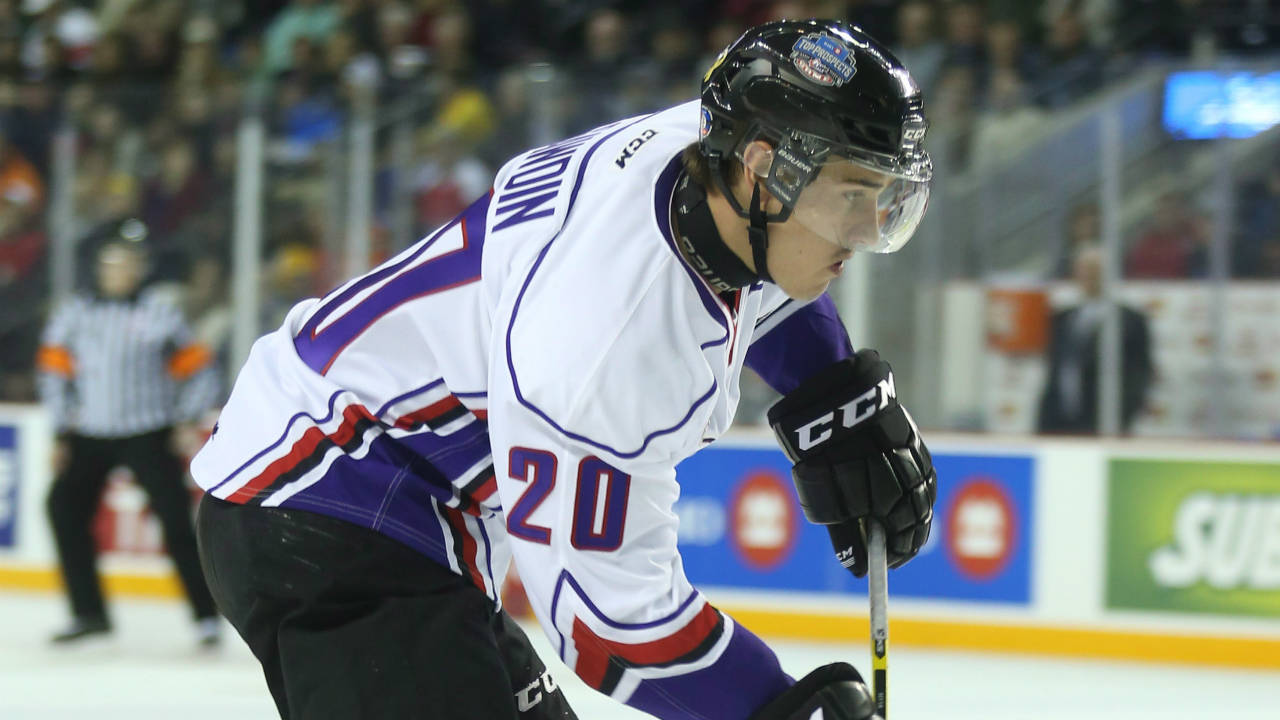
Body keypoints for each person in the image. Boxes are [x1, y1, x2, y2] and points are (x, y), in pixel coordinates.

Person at [192, 19, 937, 720]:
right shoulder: (607, 340)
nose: (865, 231)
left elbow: (758, 261)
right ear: (764, 169)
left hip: (377, 489)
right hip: (324, 505)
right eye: (852, 197)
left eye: (883, 198)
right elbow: (609, 625)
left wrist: (830, 393)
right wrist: (776, 706)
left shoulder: (714, 148)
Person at [36, 222, 222, 645]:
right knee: (63, 508)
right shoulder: (74, 313)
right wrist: (60, 429)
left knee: (175, 521)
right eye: (111, 265)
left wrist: (185, 418)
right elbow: (53, 372)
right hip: (89, 432)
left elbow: (199, 369)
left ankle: (205, 617)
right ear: (99, 269)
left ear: (140, 269)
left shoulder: (160, 313)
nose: (118, 272)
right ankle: (89, 613)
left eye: (126, 264)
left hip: (148, 431)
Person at [1038, 245, 1154, 435]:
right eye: (1082, 269)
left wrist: (1123, 414)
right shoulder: (1062, 318)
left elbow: (1140, 373)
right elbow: (1056, 369)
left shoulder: (1130, 321)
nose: (1088, 275)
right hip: (1058, 421)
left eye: (1095, 269)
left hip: (1105, 422)